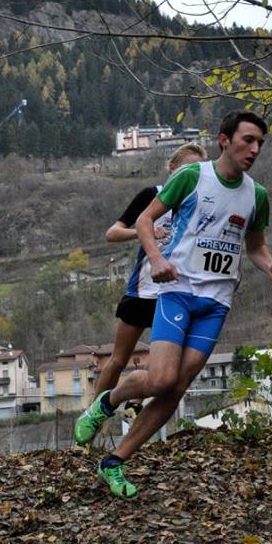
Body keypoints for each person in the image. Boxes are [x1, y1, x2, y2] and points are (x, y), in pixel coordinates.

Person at [75, 111, 272, 497]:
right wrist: (157, 259)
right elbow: (144, 221)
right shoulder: (192, 177)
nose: (255, 149)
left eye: (260, 142)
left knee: (177, 388)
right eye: (248, 140)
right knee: (161, 379)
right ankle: (107, 402)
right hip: (178, 292)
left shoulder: (256, 195)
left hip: (216, 302)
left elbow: (256, 247)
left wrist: (271, 266)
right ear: (224, 140)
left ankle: (114, 462)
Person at [94, 141, 207, 398]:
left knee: (165, 368)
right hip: (143, 290)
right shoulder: (151, 196)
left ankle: (135, 406)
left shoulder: (200, 204)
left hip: (177, 293)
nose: (193, 175)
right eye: (188, 168)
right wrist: (143, 231)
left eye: (199, 171)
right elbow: (112, 233)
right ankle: (91, 413)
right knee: (118, 359)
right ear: (172, 168)